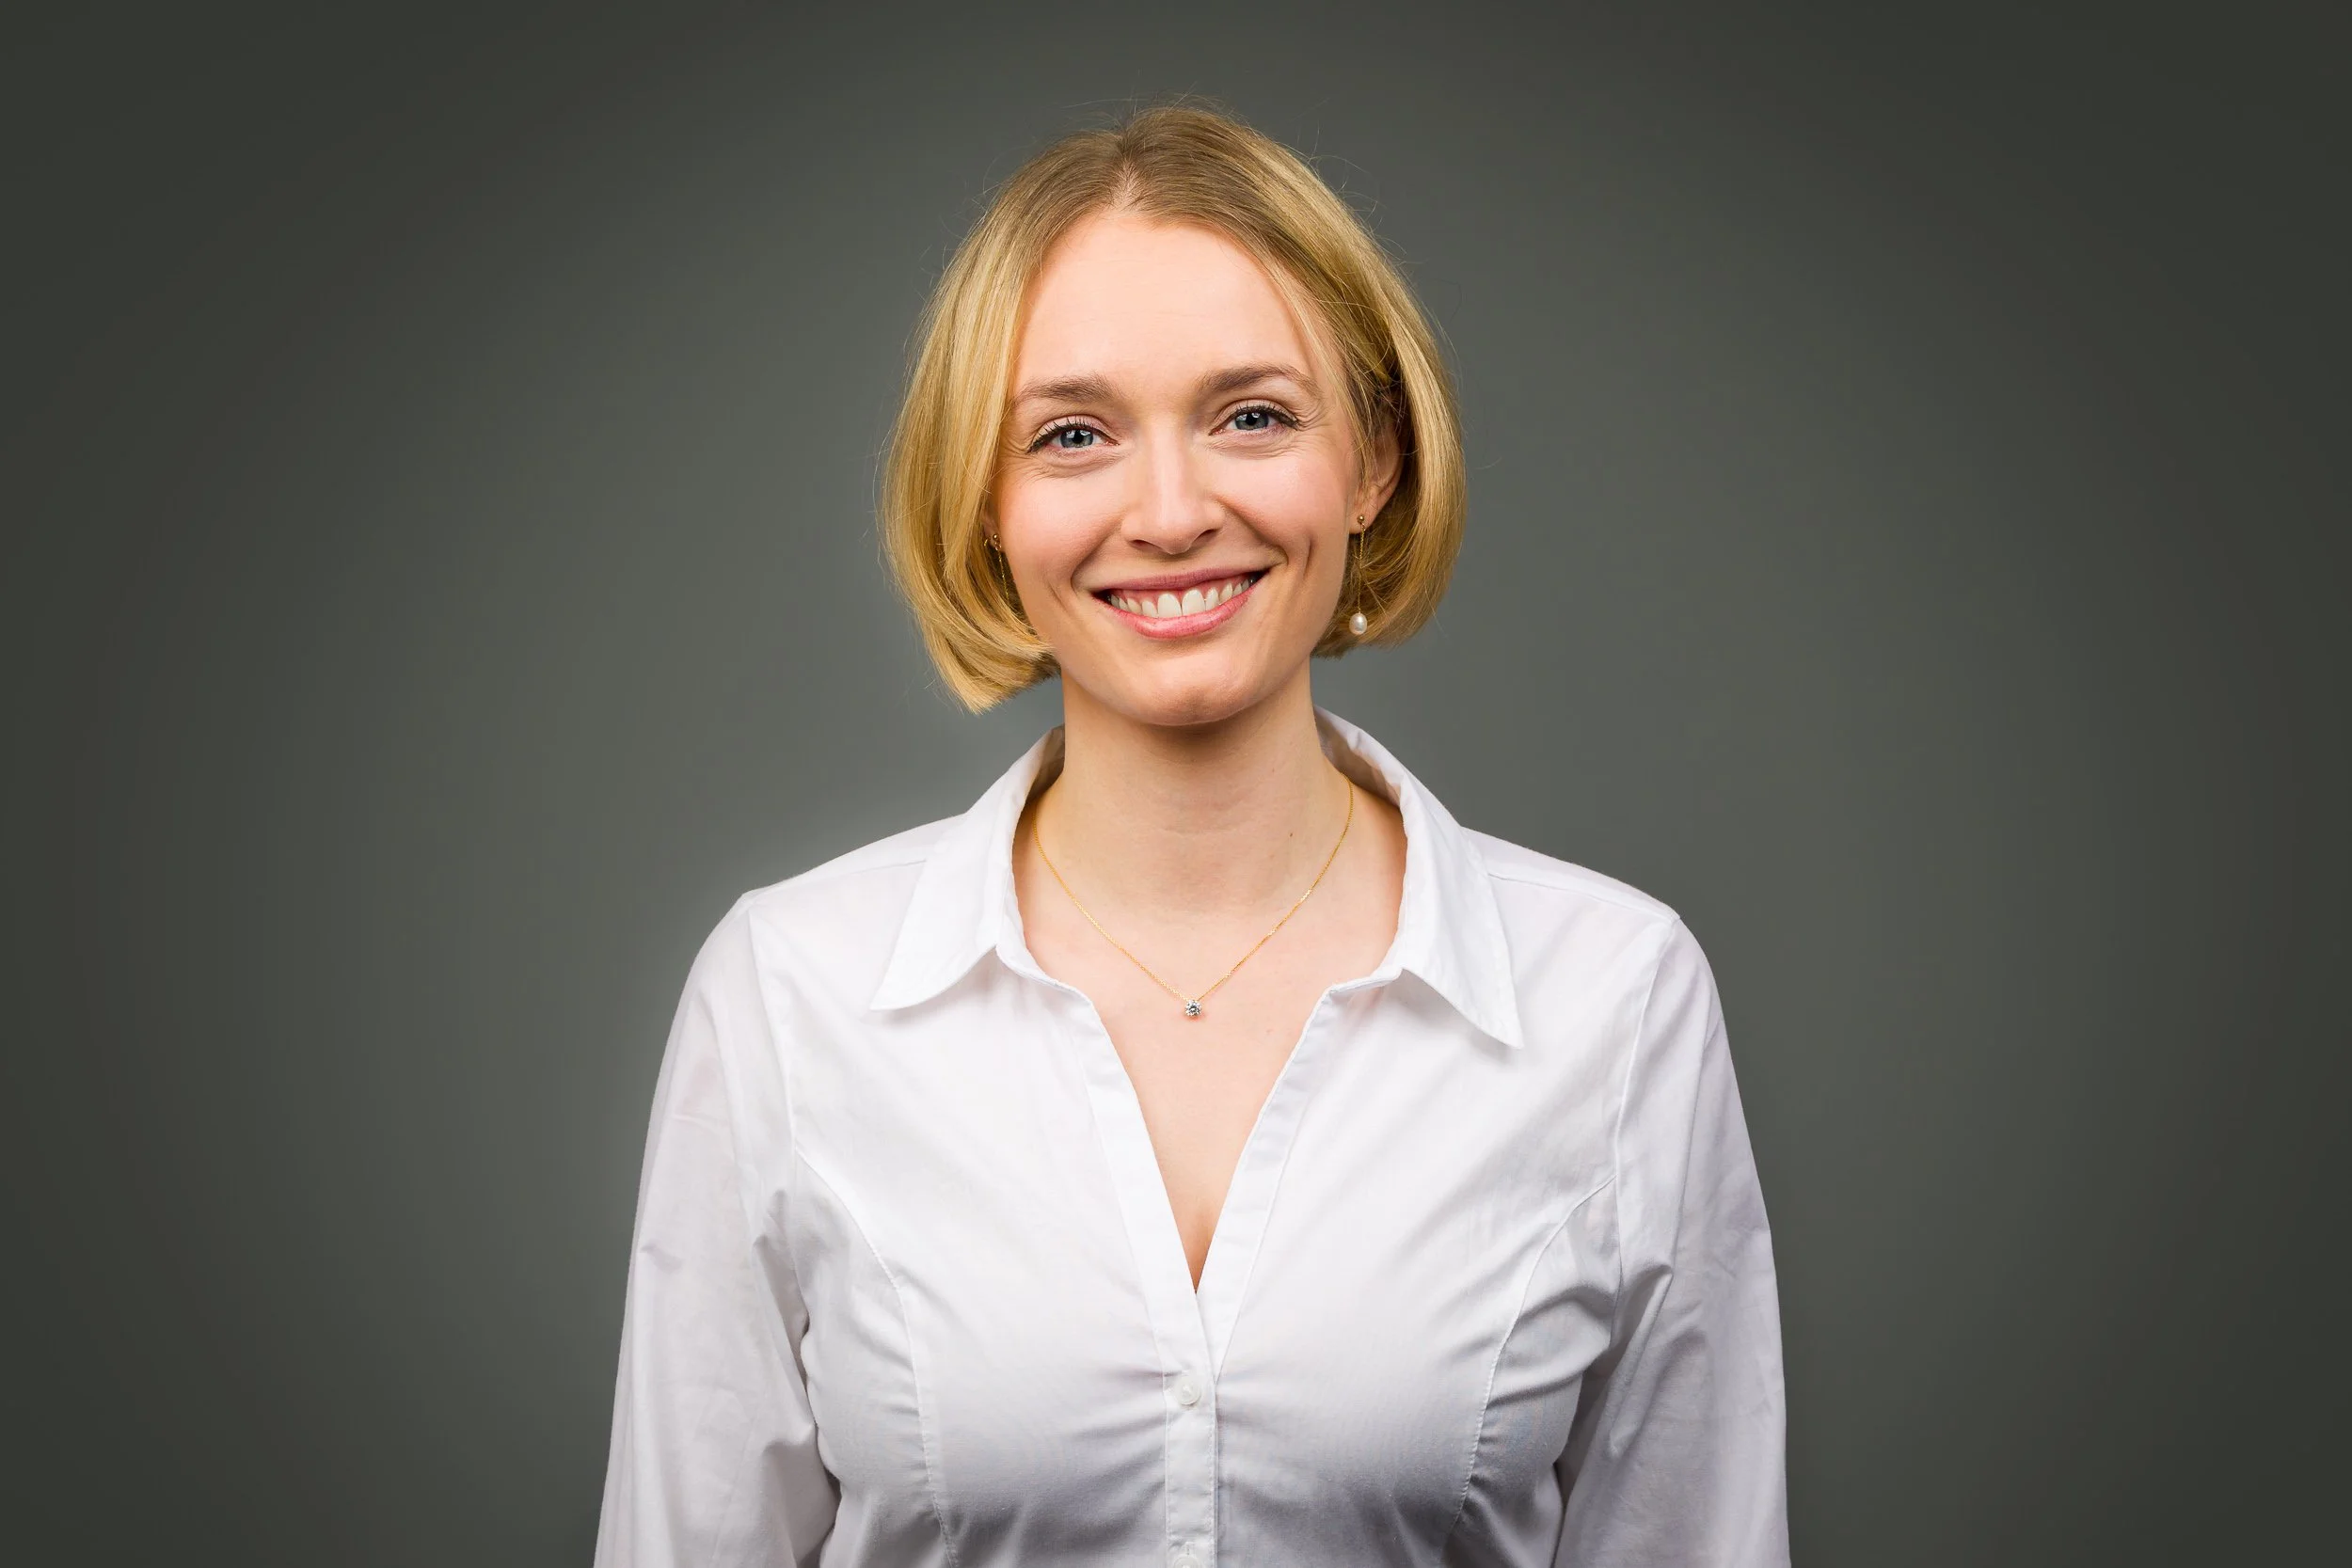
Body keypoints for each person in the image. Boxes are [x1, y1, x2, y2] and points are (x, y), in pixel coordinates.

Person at [594, 103, 1788, 1567]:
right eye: (1074, 434)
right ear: (990, 500)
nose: (1170, 510)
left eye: (1253, 415)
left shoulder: (1616, 998)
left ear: (1374, 464)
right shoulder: (789, 994)